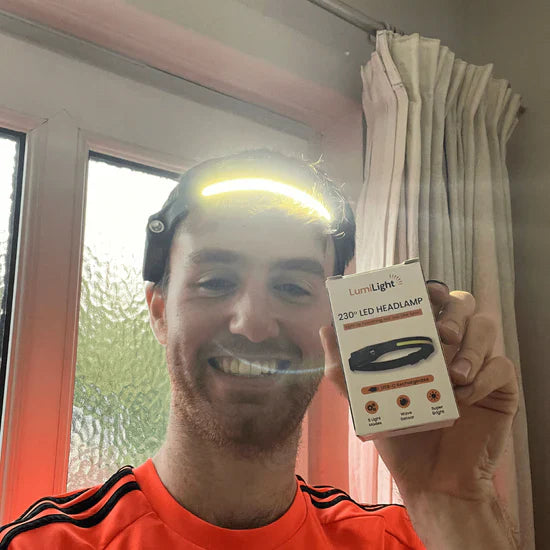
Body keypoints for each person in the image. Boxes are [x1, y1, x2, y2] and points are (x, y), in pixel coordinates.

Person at [0, 150, 519, 549]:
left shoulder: (408, 540)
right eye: (215, 281)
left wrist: (452, 500)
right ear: (159, 310)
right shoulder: (43, 546)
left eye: (293, 287)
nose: (252, 325)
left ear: (335, 319)